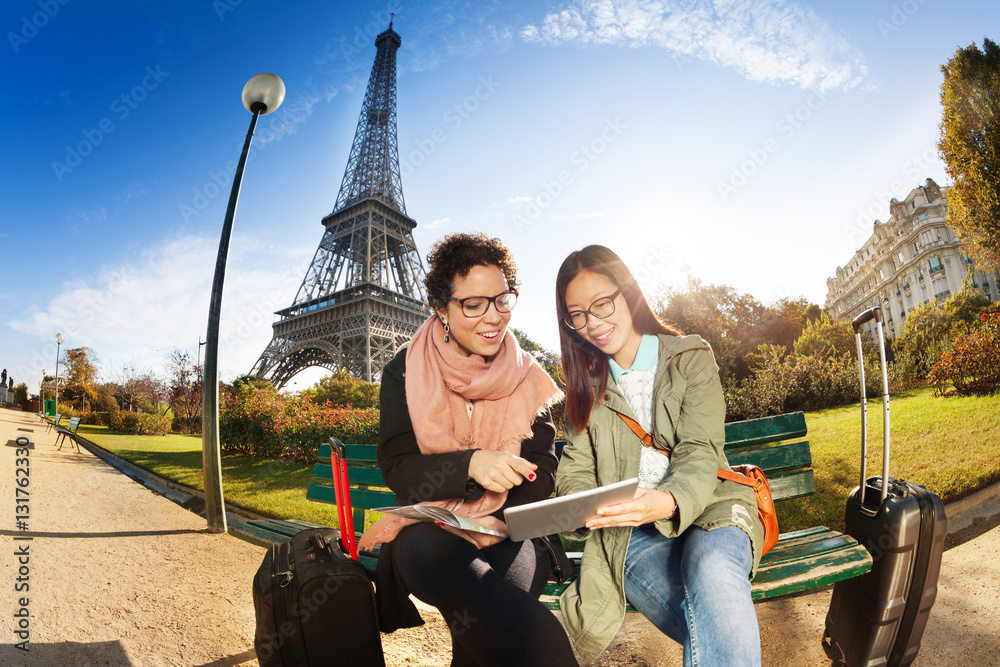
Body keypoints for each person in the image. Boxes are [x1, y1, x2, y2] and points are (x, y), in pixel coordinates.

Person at [358, 232, 578, 667]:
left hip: (508, 530)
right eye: (473, 304)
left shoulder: (527, 377)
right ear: (440, 307)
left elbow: (543, 470)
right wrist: (472, 465)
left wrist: (502, 507)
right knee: (483, 599)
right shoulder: (404, 370)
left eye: (502, 300)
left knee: (493, 611)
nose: (492, 317)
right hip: (428, 533)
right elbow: (399, 468)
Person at [553, 245, 764, 666]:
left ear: (627, 292)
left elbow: (701, 449)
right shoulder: (584, 392)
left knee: (714, 579)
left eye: (601, 304)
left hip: (712, 508)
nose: (592, 324)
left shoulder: (690, 356)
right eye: (578, 314)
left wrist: (665, 500)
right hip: (631, 536)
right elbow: (573, 473)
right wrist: (586, 504)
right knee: (713, 624)